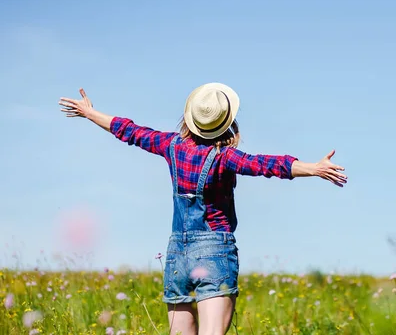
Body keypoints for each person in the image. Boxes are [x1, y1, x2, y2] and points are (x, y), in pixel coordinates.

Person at [59, 84, 347, 335]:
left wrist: (90, 113)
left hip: (177, 253)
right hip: (215, 252)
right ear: (226, 123)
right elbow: (265, 164)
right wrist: (314, 168)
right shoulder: (225, 157)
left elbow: (132, 131)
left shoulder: (170, 145)